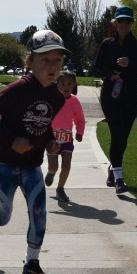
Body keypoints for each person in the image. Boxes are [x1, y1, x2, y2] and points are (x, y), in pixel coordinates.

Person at [0, 29, 68, 274]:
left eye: (57, 60)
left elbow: (43, 123)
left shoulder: (56, 97)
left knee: (39, 213)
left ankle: (31, 264)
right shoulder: (18, 89)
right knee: (3, 217)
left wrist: (50, 141)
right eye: (45, 60)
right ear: (29, 62)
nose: (52, 66)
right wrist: (12, 140)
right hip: (4, 163)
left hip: (32, 165)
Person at [93, 5, 137, 194]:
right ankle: (119, 179)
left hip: (131, 96)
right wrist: (110, 74)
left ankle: (113, 168)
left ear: (132, 23)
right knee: (117, 133)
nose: (124, 24)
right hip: (110, 96)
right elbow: (95, 69)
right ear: (115, 23)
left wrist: (131, 63)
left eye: (127, 21)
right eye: (120, 21)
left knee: (123, 137)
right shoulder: (107, 44)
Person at [45, 69, 86, 202]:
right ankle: (51, 172)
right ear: (57, 84)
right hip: (52, 140)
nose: (66, 86)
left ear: (74, 85)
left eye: (69, 84)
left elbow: (80, 120)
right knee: (54, 167)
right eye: (62, 83)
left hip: (67, 140)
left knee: (66, 166)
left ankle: (60, 189)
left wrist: (79, 132)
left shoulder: (75, 102)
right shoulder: (51, 99)